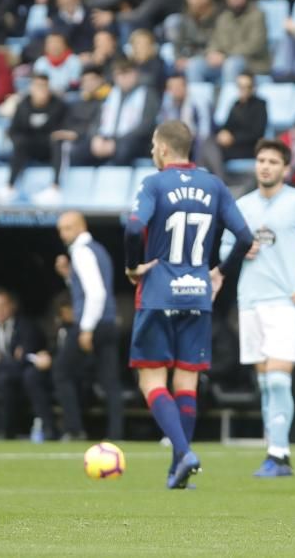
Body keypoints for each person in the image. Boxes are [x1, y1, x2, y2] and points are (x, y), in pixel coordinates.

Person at [124, 120, 254, 489]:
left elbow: (134, 228)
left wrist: (133, 267)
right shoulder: (213, 184)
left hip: (159, 292)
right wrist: (221, 274)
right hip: (198, 292)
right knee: (187, 380)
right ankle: (177, 470)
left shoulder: (154, 183)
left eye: (153, 145)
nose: (152, 151)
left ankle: (184, 453)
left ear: (164, 149)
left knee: (151, 379)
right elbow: (244, 237)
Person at [222, 139, 295, 476]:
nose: (266, 166)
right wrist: (237, 253)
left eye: (273, 161)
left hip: (284, 304)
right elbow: (222, 249)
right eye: (261, 160)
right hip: (250, 302)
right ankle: (274, 450)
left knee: (277, 381)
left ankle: (279, 453)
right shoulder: (242, 205)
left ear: (285, 169)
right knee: (264, 382)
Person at [53, 212, 125, 441]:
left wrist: (86, 328)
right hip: (108, 322)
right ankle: (117, 434)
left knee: (61, 372)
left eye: (67, 228)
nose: (62, 234)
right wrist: (68, 276)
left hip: (93, 323)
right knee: (111, 382)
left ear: (80, 226)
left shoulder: (82, 252)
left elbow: (96, 293)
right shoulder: (98, 249)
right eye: (61, 229)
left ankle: (74, 429)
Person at [0, 288, 56, 441]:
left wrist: (3, 361)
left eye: (1, 305)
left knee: (6, 379)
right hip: (1, 372)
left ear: (12, 305)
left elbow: (26, 359)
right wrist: (10, 361)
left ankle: (7, 431)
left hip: (21, 374)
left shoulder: (26, 326)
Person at [72, 60, 160, 166]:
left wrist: (116, 142)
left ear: (135, 73)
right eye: (119, 74)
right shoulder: (110, 94)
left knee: (123, 150)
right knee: (78, 152)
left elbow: (146, 125)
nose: (122, 77)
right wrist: (96, 137)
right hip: (106, 138)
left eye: (126, 72)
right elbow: (97, 120)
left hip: (134, 140)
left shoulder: (147, 94)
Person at [187, 0, 270, 85]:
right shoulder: (224, 17)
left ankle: (229, 99)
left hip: (252, 62)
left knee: (232, 64)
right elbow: (215, 40)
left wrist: (226, 56)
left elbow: (255, 44)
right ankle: (198, 100)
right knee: (195, 65)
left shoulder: (257, 15)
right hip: (224, 61)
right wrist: (211, 53)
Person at [198, 72, 268, 179]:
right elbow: (227, 126)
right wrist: (223, 134)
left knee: (211, 150)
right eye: (240, 86)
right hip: (231, 145)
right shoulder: (235, 104)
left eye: (247, 86)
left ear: (253, 87)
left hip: (248, 147)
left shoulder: (260, 105)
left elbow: (257, 133)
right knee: (207, 143)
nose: (243, 89)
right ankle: (216, 178)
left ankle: (217, 179)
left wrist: (233, 138)